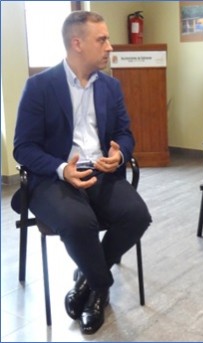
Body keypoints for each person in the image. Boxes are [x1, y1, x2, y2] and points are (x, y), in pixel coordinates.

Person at [13, 11, 152, 334]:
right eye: (101, 39)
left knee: (137, 216)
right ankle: (100, 288)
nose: (110, 46)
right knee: (79, 221)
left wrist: (119, 155)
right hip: (54, 176)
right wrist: (62, 169)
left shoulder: (110, 87)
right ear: (77, 43)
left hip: (101, 172)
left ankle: (87, 278)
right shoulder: (39, 87)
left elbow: (125, 134)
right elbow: (23, 148)